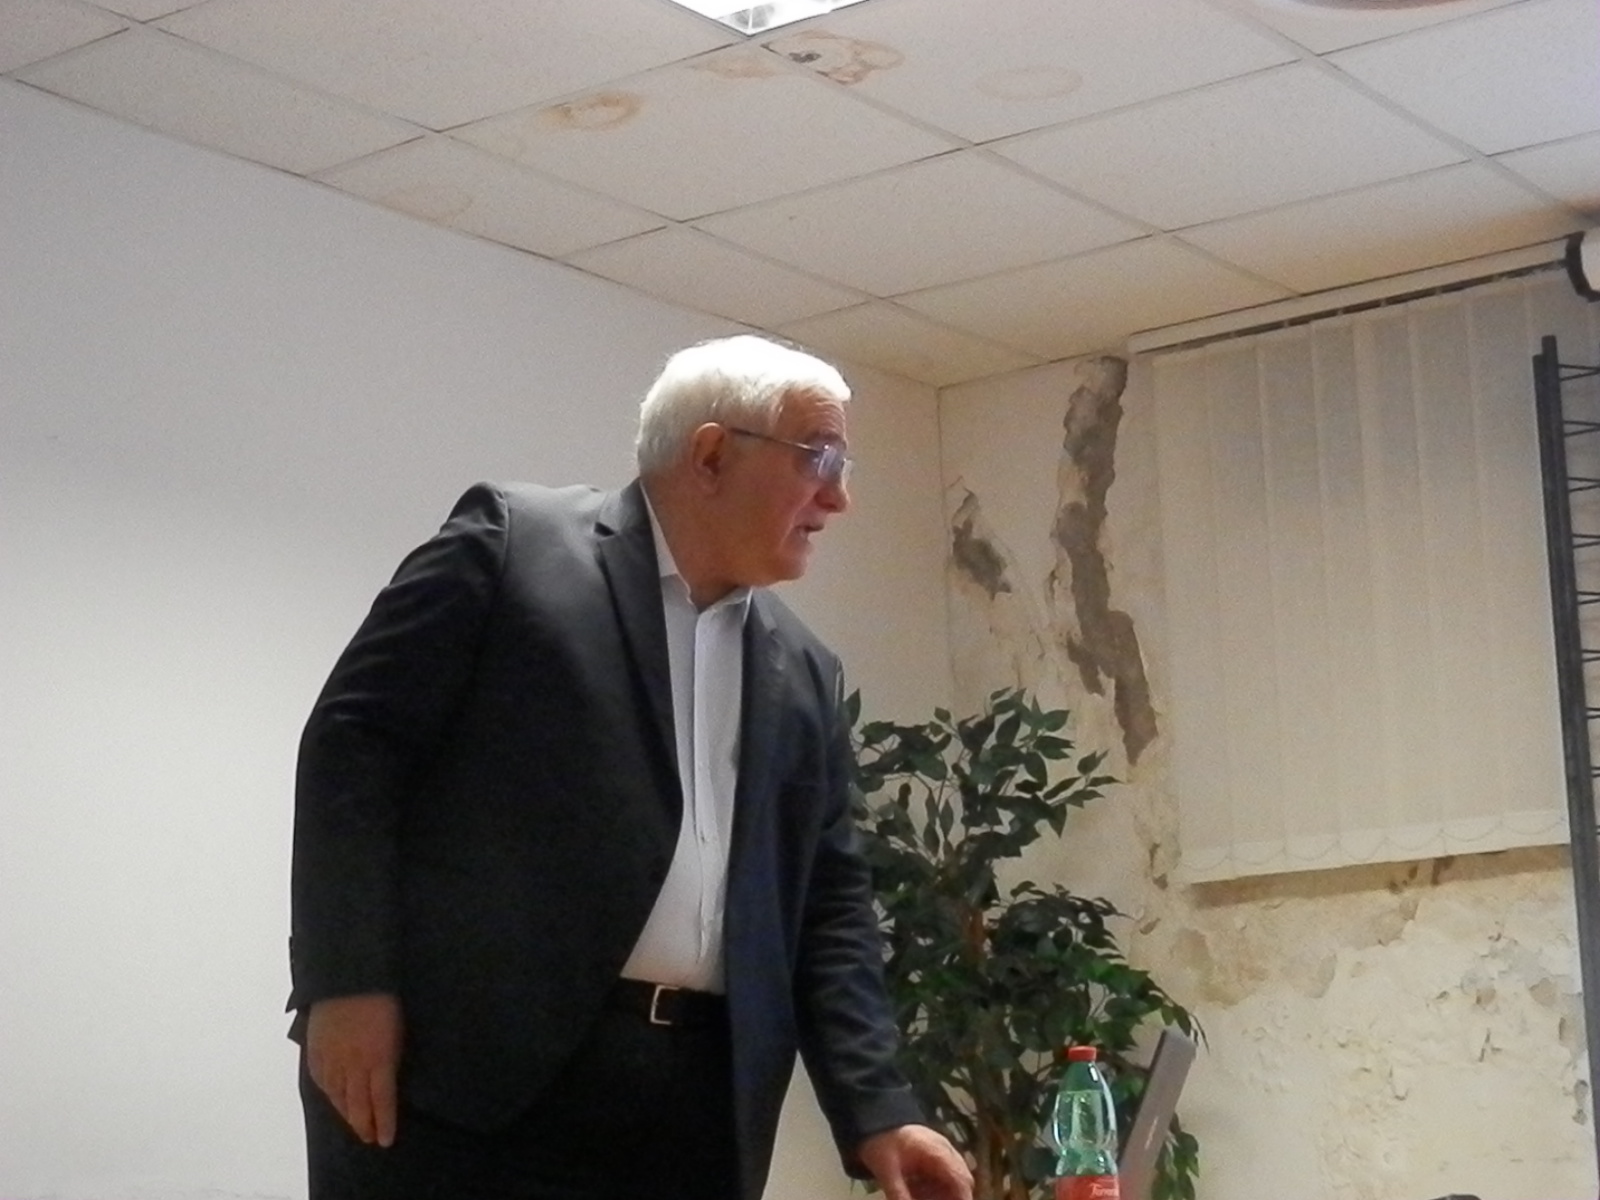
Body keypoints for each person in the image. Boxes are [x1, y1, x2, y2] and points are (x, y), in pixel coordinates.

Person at [288, 335, 974, 1200]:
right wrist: (346, 982)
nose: (839, 497)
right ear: (712, 454)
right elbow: (352, 749)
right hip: (467, 1087)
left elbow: (828, 904)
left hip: (693, 1109)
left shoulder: (805, 671)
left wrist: (879, 1110)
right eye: (820, 458)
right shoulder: (513, 547)